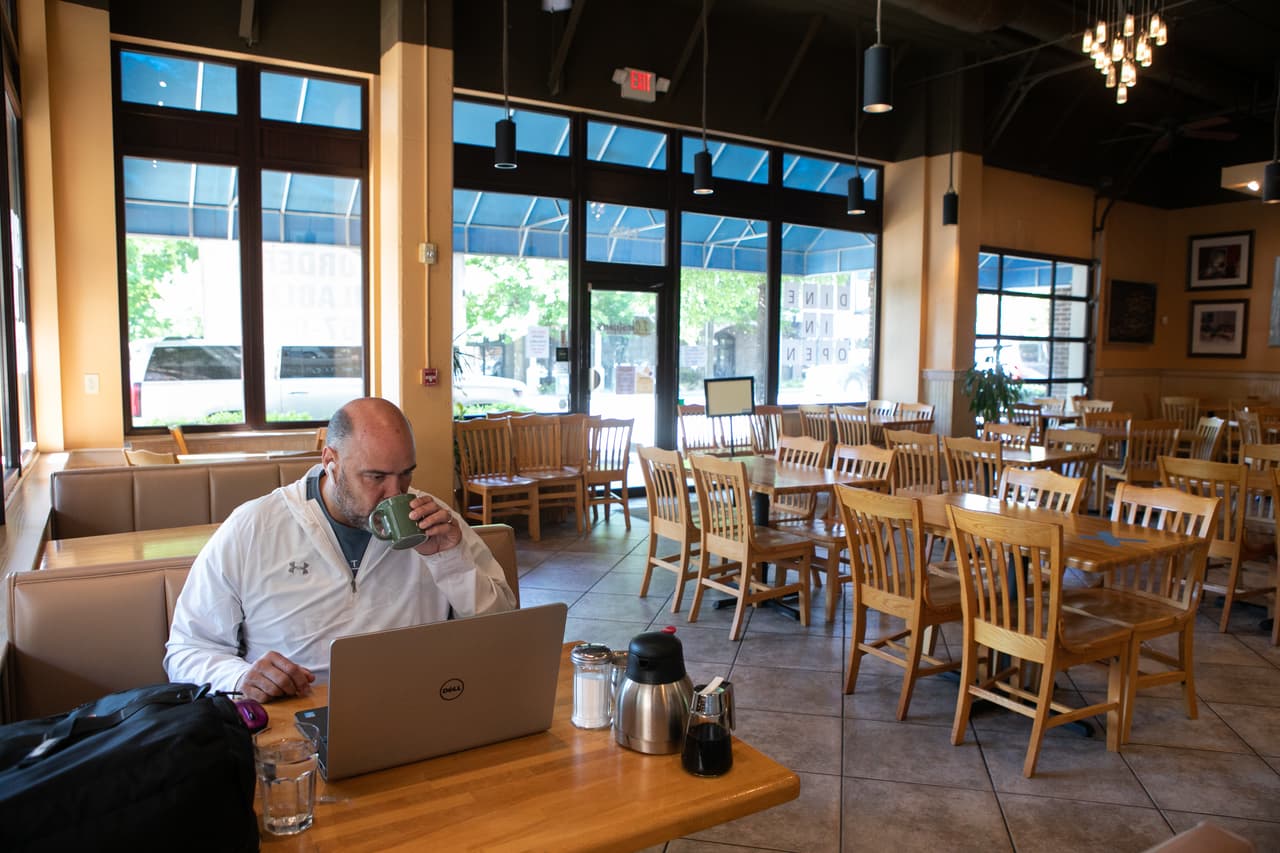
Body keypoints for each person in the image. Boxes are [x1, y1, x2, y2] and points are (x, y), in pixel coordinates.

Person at [164, 397, 516, 702]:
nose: (396, 495)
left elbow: (503, 638)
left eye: (405, 475)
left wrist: (451, 562)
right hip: (293, 720)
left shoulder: (437, 523)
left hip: (415, 706)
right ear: (330, 462)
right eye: (376, 477)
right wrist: (240, 679)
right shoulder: (254, 527)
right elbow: (187, 651)